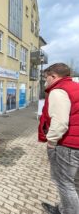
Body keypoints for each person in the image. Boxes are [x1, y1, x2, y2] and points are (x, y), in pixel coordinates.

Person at [38, 63, 79, 214]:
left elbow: (60, 122)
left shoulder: (59, 91)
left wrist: (51, 142)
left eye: (46, 78)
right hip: (76, 145)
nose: (45, 81)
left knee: (64, 183)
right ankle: (64, 209)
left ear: (53, 76)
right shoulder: (75, 87)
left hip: (68, 146)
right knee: (74, 183)